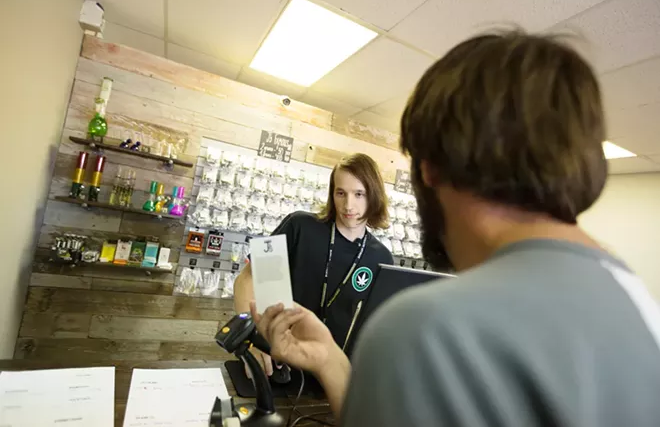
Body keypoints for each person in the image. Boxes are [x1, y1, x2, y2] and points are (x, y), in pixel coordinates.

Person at [251, 31, 660, 426]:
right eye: (342, 194)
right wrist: (328, 358)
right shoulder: (641, 307)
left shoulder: (424, 330)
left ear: (430, 169)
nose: (349, 204)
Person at [234, 153, 393, 376]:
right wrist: (249, 341)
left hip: (330, 377)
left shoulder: (382, 258)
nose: (349, 205)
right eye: (341, 193)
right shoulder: (299, 226)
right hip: (277, 364)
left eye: (359, 194)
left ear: (374, 196)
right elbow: (248, 279)